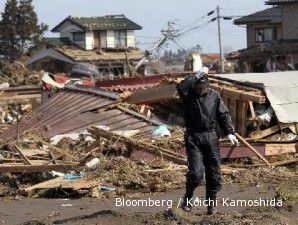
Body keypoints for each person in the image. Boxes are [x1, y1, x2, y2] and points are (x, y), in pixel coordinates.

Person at [176, 67, 239, 215]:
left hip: (211, 137)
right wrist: (198, 74)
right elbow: (181, 85)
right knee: (196, 173)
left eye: (203, 88)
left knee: (214, 173)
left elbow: (223, 115)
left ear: (207, 86)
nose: (200, 91)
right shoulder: (188, 95)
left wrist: (230, 132)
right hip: (193, 137)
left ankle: (211, 204)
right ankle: (188, 197)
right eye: (198, 88)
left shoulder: (214, 96)